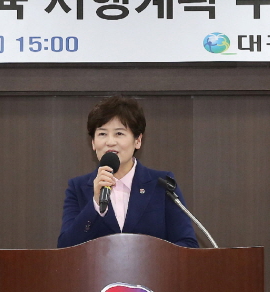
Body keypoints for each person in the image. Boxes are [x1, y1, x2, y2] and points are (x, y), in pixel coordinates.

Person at [57, 95, 199, 248]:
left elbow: (188, 244)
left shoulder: (162, 184)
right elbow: (65, 247)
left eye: (119, 133)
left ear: (138, 140)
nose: (110, 142)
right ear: (93, 142)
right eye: (102, 134)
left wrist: (150, 257)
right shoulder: (78, 188)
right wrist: (95, 204)